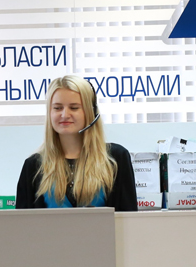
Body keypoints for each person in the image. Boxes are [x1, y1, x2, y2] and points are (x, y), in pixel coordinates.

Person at [16, 75, 137, 210]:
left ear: (91, 113)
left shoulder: (116, 158)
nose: (64, 115)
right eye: (57, 108)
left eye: (74, 108)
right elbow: (23, 222)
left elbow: (128, 218)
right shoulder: (33, 166)